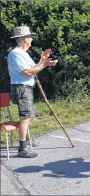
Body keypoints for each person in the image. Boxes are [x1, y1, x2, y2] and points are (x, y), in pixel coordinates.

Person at [8, 25, 58, 158]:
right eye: (30, 36)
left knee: (27, 116)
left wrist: (43, 60)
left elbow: (34, 68)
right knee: (25, 117)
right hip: (21, 88)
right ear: (24, 39)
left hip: (25, 88)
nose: (31, 39)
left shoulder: (23, 54)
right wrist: (44, 64)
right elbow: (28, 72)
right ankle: (22, 148)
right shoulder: (15, 54)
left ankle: (27, 139)